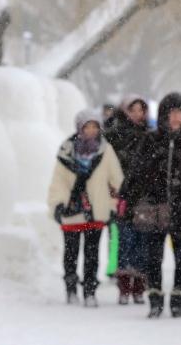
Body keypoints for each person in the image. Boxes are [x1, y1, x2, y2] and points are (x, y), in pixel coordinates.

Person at [125, 93, 181, 318]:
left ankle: (178, 300)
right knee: (153, 257)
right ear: (164, 115)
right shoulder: (151, 140)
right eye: (171, 112)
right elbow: (136, 172)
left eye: (180, 113)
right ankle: (155, 299)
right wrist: (127, 197)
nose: (175, 117)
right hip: (155, 207)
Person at [48, 109, 124, 307]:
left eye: (94, 126)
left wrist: (115, 205)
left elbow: (117, 180)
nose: (91, 131)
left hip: (96, 211)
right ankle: (71, 288)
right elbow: (58, 181)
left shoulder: (105, 151)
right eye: (86, 126)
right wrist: (57, 204)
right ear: (79, 128)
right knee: (71, 253)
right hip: (71, 210)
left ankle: (90, 290)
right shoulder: (66, 150)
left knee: (92, 255)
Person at [104, 95, 150, 305]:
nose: (138, 114)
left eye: (141, 110)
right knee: (124, 241)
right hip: (121, 195)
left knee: (143, 242)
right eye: (134, 110)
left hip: (145, 196)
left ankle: (140, 287)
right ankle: (123, 287)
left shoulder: (150, 135)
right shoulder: (114, 135)